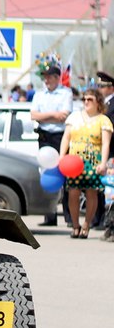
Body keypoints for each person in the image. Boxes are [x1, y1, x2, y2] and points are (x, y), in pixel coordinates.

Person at [58, 87, 113, 238]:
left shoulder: (104, 120)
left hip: (93, 161)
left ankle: (87, 225)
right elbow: (66, 138)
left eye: (90, 99)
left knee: (91, 193)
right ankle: (75, 225)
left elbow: (105, 144)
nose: (86, 102)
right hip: (74, 161)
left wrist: (103, 163)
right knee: (73, 192)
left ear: (98, 102)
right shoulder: (74, 117)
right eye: (84, 99)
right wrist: (62, 156)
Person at [30, 65, 73, 226]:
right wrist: (53, 115)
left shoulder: (65, 93)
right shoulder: (39, 94)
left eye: (49, 77)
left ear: (57, 77)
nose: (46, 80)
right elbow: (34, 115)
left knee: (65, 174)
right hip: (44, 136)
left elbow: (64, 116)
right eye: (45, 77)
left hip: (60, 137)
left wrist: (45, 117)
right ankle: (50, 215)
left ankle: (69, 216)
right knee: (48, 174)